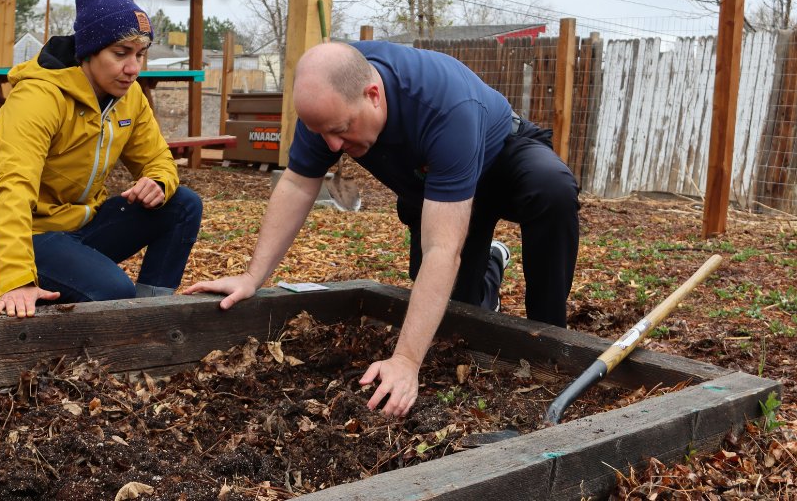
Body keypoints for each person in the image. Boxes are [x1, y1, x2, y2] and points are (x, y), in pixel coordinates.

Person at [186, 40, 579, 417]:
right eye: (323, 133)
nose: (333, 145)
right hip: (435, 187)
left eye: (340, 129)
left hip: (502, 158)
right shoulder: (327, 103)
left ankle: (553, 341)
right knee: (455, 322)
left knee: (552, 189)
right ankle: (489, 266)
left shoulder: (444, 108)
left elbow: (442, 250)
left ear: (373, 94)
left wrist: (406, 361)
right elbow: (296, 183)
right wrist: (253, 276)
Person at [0, 0, 203, 317]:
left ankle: (152, 315)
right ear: (88, 52)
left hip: (78, 228)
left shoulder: (129, 96)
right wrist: (14, 277)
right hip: (15, 237)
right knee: (113, 291)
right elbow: (12, 188)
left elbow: (157, 158)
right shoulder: (38, 98)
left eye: (139, 55)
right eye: (120, 54)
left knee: (182, 204)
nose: (133, 68)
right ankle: (22, 293)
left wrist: (158, 181)